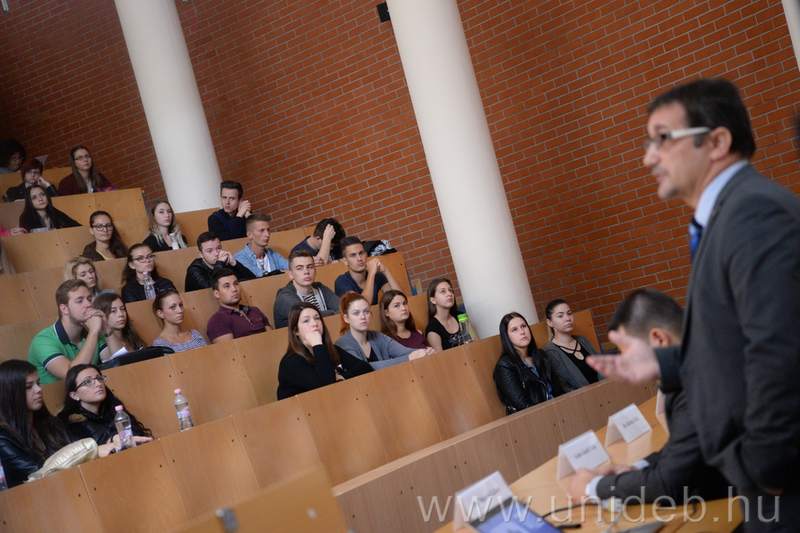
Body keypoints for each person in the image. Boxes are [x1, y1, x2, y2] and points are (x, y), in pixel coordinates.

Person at [586, 78, 800, 531]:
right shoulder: (726, 216)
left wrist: (768, 471)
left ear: (717, 142)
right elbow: (733, 342)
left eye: (662, 139)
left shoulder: (752, 213)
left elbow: (778, 352)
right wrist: (663, 361)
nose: (648, 157)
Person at [567, 289, 728, 504]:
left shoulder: (701, 380)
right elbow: (684, 451)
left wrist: (591, 488)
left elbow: (668, 483)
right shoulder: (705, 357)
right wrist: (636, 469)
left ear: (659, 339)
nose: (625, 364)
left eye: (628, 353)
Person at [276, 302, 373, 400]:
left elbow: (365, 367)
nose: (314, 324)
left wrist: (341, 377)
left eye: (317, 318)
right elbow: (327, 387)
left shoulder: (329, 349)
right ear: (296, 331)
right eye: (306, 321)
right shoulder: (290, 362)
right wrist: (317, 344)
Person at [28, 280, 118, 384]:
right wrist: (93, 332)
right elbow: (73, 375)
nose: (89, 304)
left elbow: (120, 362)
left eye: (89, 299)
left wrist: (106, 329)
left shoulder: (92, 331)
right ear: (64, 309)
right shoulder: (43, 341)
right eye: (79, 301)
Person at [493, 312, 584, 415]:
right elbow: (523, 406)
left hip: (559, 412)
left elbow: (558, 389)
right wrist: (552, 414)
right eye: (514, 330)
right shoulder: (505, 366)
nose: (522, 332)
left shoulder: (541, 356)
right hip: (535, 418)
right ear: (507, 336)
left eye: (523, 326)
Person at [0, 360, 72, 487]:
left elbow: (74, 447)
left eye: (38, 383)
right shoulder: (3, 438)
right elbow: (39, 473)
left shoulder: (51, 422)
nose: (39, 389)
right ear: (10, 393)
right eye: (29, 387)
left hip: (70, 484)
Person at [58, 364, 153, 447]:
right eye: (87, 382)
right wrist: (114, 438)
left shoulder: (114, 408)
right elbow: (90, 448)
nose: (98, 384)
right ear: (74, 395)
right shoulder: (71, 422)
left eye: (99, 378)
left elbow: (137, 434)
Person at [335, 292, 432, 370]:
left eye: (366, 311)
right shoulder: (342, 344)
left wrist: (426, 351)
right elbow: (363, 368)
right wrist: (408, 358)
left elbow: (404, 351)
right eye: (356, 313)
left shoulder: (377, 336)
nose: (363, 317)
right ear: (346, 318)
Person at [273, 250, 340, 329]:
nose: (306, 272)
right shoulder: (285, 297)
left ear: (315, 270)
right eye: (299, 268)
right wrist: (332, 312)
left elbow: (344, 308)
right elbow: (308, 318)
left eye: (310, 267)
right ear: (291, 275)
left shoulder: (320, 288)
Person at [207, 268, 273, 343]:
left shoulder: (254, 310)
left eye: (235, 284)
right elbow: (230, 349)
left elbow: (273, 338)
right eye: (227, 286)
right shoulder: (217, 320)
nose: (234, 289)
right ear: (216, 294)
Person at [543, 299, 599, 385]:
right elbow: (563, 386)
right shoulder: (551, 352)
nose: (568, 318)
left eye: (569, 313)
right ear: (550, 322)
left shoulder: (582, 340)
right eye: (560, 316)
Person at [334, 236, 402, 305]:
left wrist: (386, 271)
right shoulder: (341, 282)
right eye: (353, 255)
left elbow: (401, 298)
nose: (359, 258)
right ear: (345, 261)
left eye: (361, 253)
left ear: (366, 255)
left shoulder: (377, 276)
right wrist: (371, 274)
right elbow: (361, 306)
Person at [185, 231, 255, 292]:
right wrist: (219, 263)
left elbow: (253, 280)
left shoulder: (225, 263)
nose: (216, 253)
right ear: (201, 254)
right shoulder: (194, 270)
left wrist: (234, 263)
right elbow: (213, 289)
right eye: (210, 251)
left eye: (218, 248)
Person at [93, 293, 146, 358]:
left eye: (122, 309)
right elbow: (120, 359)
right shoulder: (101, 344)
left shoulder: (132, 338)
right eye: (113, 311)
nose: (121, 314)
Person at [425, 278, 464, 351]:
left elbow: (476, 344)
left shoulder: (461, 316)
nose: (449, 294)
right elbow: (440, 357)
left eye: (450, 290)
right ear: (433, 300)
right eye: (443, 291)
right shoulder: (433, 328)